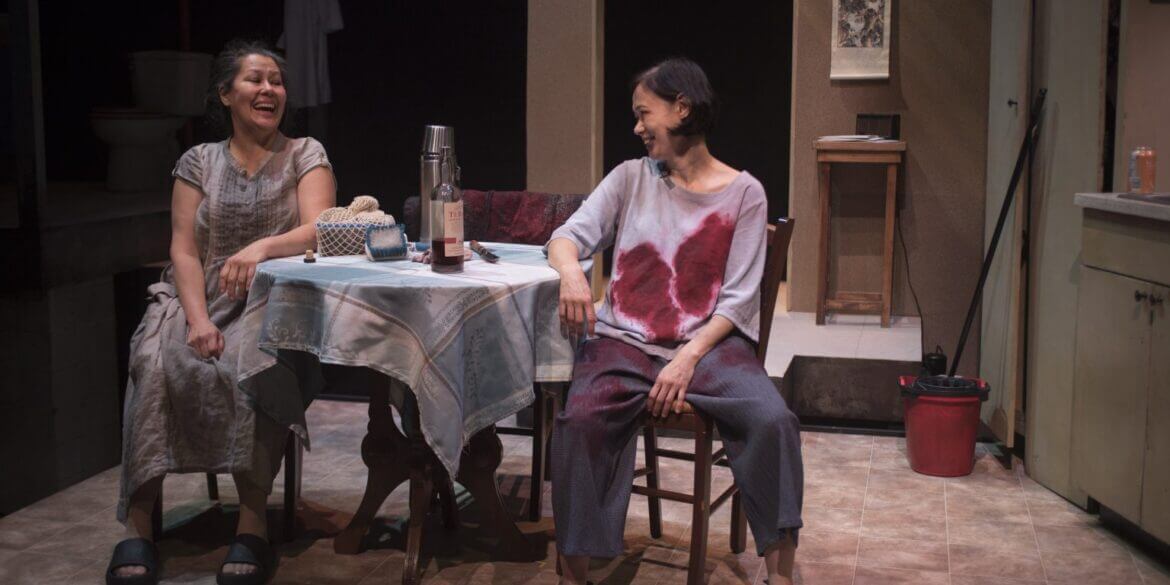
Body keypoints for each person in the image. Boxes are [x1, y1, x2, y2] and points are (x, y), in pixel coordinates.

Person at [547, 58, 803, 585]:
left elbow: (738, 301)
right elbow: (566, 237)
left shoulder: (744, 193)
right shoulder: (629, 178)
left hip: (708, 346)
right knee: (580, 421)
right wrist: (571, 272)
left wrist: (687, 358)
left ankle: (780, 574)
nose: (637, 127)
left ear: (681, 108)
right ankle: (575, 574)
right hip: (623, 341)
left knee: (773, 421)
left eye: (644, 113)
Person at [106, 39, 336, 585]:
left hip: (273, 298)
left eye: (276, 81)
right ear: (227, 94)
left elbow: (320, 229)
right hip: (198, 296)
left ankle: (252, 524)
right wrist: (198, 320)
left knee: (249, 367)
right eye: (255, 79)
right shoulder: (198, 161)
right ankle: (138, 525)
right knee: (153, 363)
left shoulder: (304, 153)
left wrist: (261, 249)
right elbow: (184, 249)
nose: (268, 89)